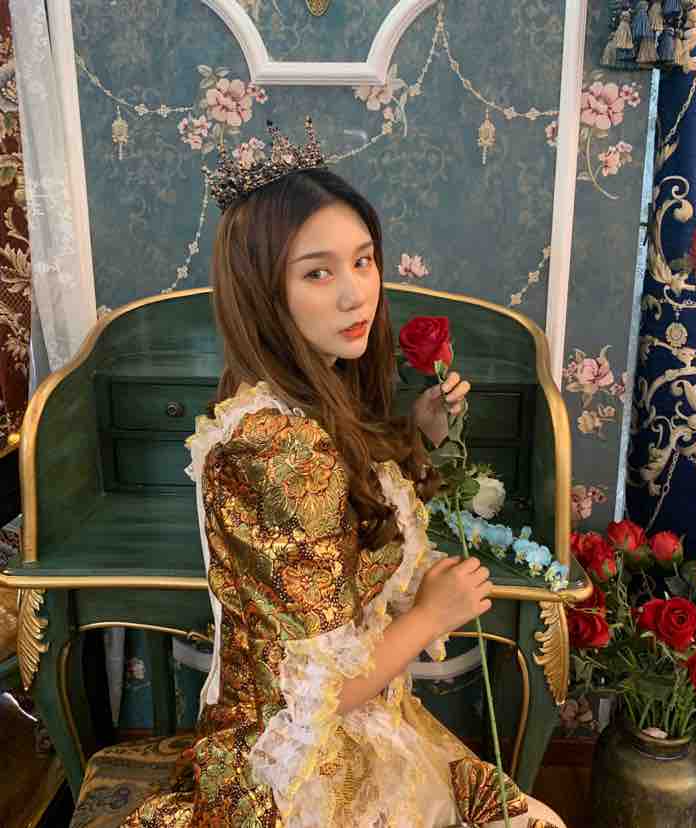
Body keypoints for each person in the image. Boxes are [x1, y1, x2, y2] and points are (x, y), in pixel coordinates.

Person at [125, 121, 565, 828]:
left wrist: (416, 436)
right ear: (263, 292)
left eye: (363, 261)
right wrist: (430, 616)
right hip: (304, 766)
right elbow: (318, 693)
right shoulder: (280, 448)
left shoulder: (302, 399)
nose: (356, 294)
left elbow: (343, 523)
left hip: (355, 729)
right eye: (317, 273)